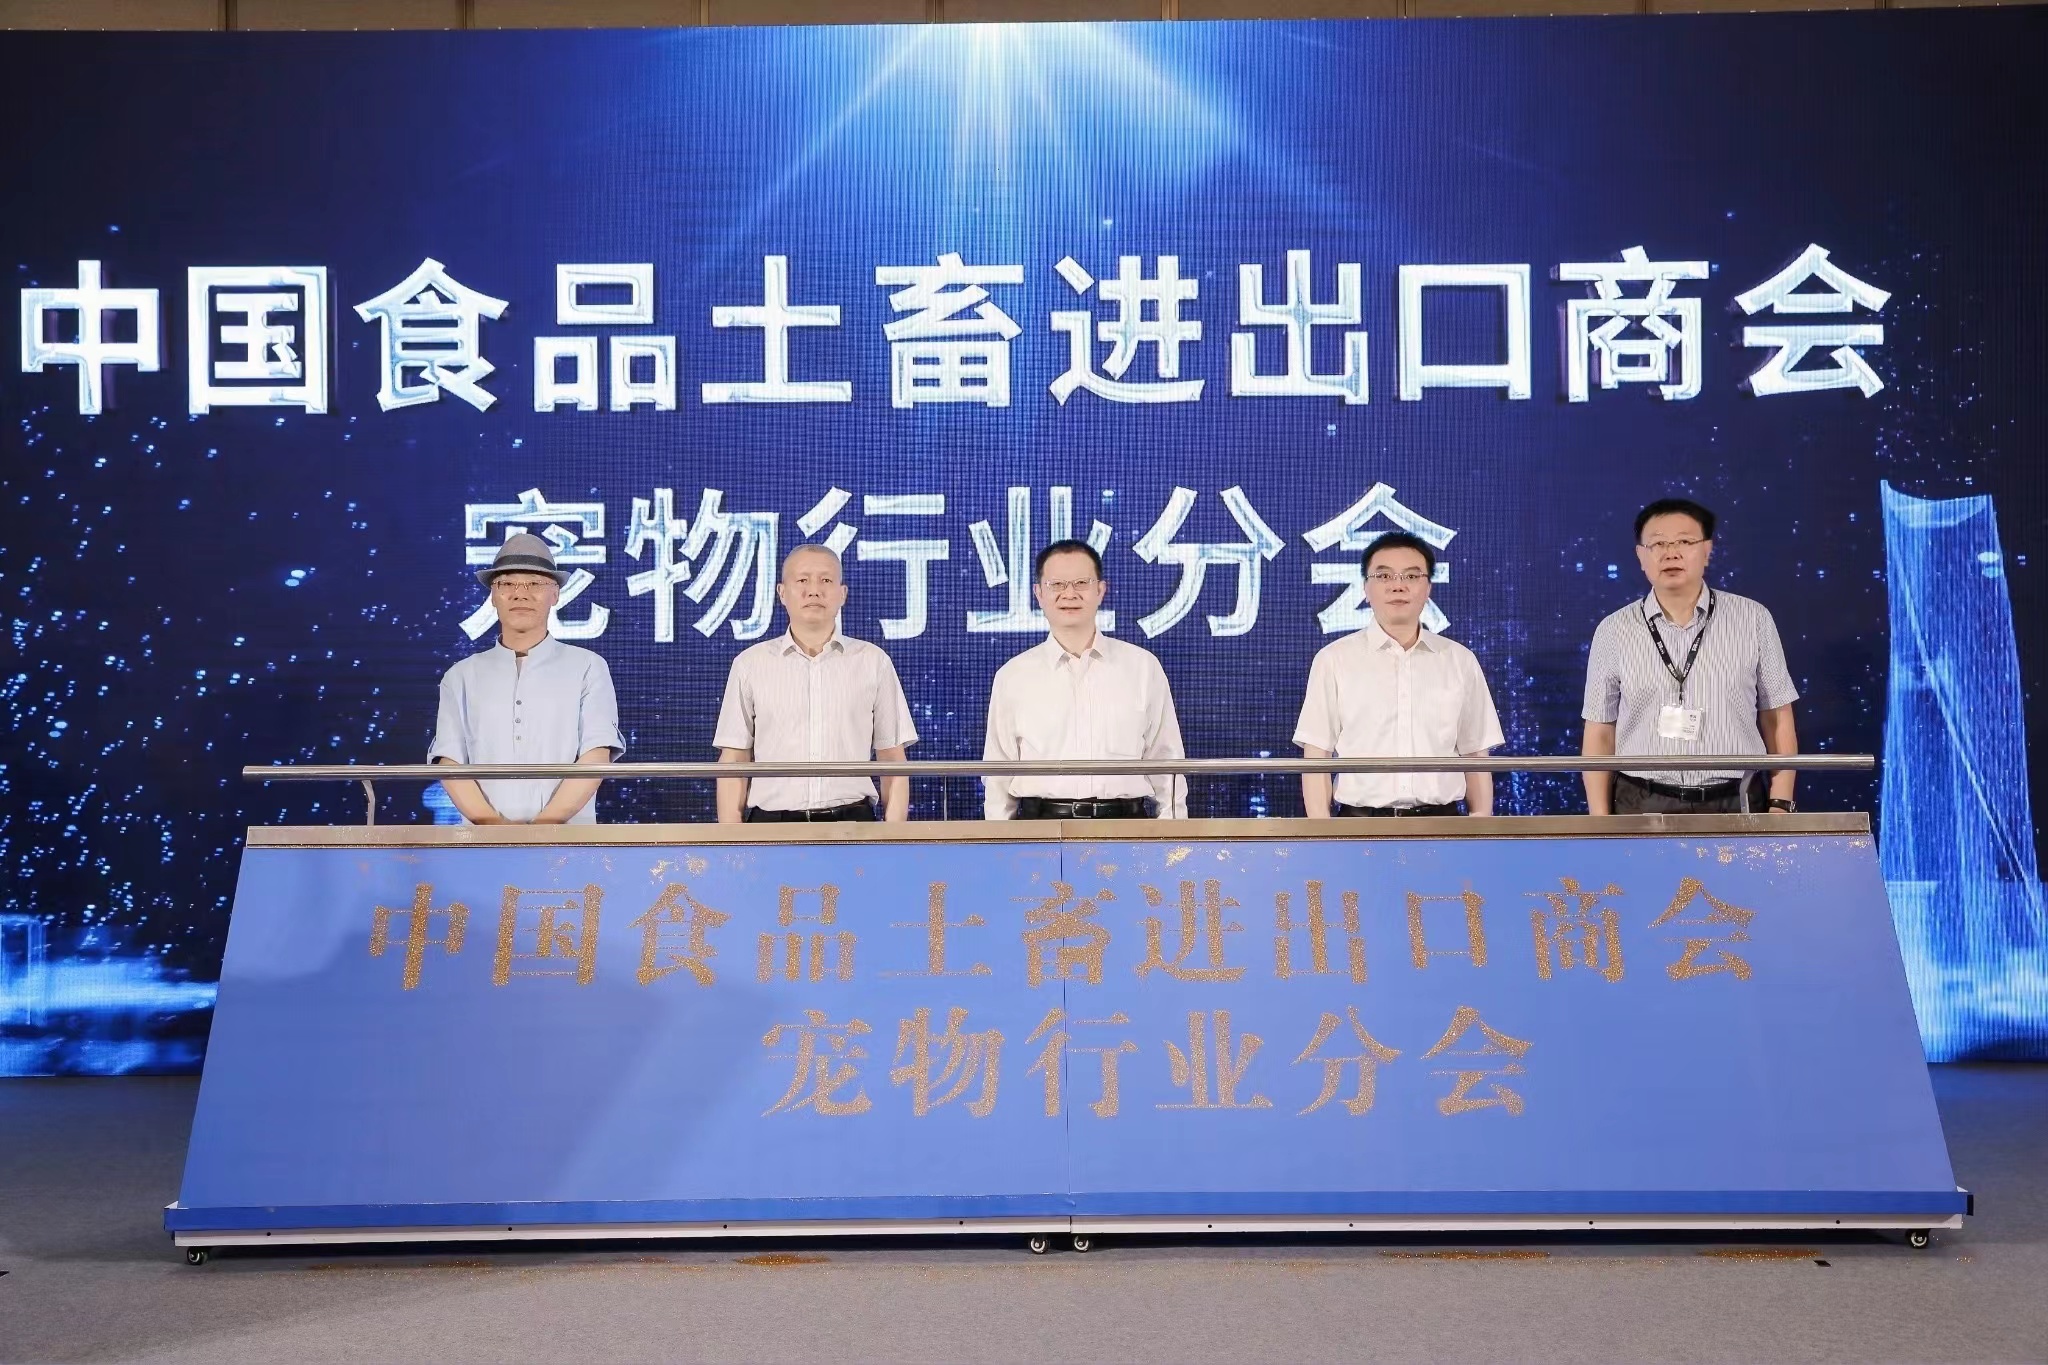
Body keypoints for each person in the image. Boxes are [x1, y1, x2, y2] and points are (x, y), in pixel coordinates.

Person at [1581, 497, 1800, 815]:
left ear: (1707, 550)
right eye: (1658, 544)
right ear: (1641, 556)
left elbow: (1776, 716)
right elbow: (1599, 732)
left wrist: (1780, 804)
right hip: (1641, 802)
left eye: (1684, 542)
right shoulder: (1613, 630)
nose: (1671, 553)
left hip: (1735, 800)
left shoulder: (1753, 619)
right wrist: (1600, 822)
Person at [1294, 531, 1503, 817]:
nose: (1398, 586)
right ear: (1366, 588)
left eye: (1411, 576)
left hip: (1443, 824)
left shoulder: (1460, 660)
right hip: (1359, 826)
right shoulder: (1334, 659)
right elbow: (1316, 755)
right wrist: (1323, 832)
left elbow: (1475, 753)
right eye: (1384, 576)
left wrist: (1480, 826)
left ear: (1428, 588)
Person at [983, 539, 1186, 820]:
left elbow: (1167, 761)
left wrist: (1174, 835)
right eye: (1057, 584)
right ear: (1038, 593)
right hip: (1040, 829)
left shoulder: (1142, 667)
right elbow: (998, 772)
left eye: (1081, 583)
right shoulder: (1013, 675)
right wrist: (998, 838)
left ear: (1100, 590)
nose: (1069, 594)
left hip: (1126, 827)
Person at [715, 545, 916, 823]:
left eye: (825, 580)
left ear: (842, 594)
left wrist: (892, 838)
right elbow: (734, 759)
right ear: (781, 593)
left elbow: (892, 759)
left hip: (853, 824)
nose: (814, 591)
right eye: (802, 580)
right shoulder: (750, 664)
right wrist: (731, 841)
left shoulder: (873, 662)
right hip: (771, 826)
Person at [430, 533, 621, 825]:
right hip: (483, 842)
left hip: (569, 842)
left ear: (555, 594)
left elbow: (596, 755)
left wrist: (543, 830)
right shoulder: (460, 676)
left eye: (535, 584)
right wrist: (496, 830)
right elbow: (450, 762)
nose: (520, 594)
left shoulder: (588, 667)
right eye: (507, 584)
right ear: (493, 596)